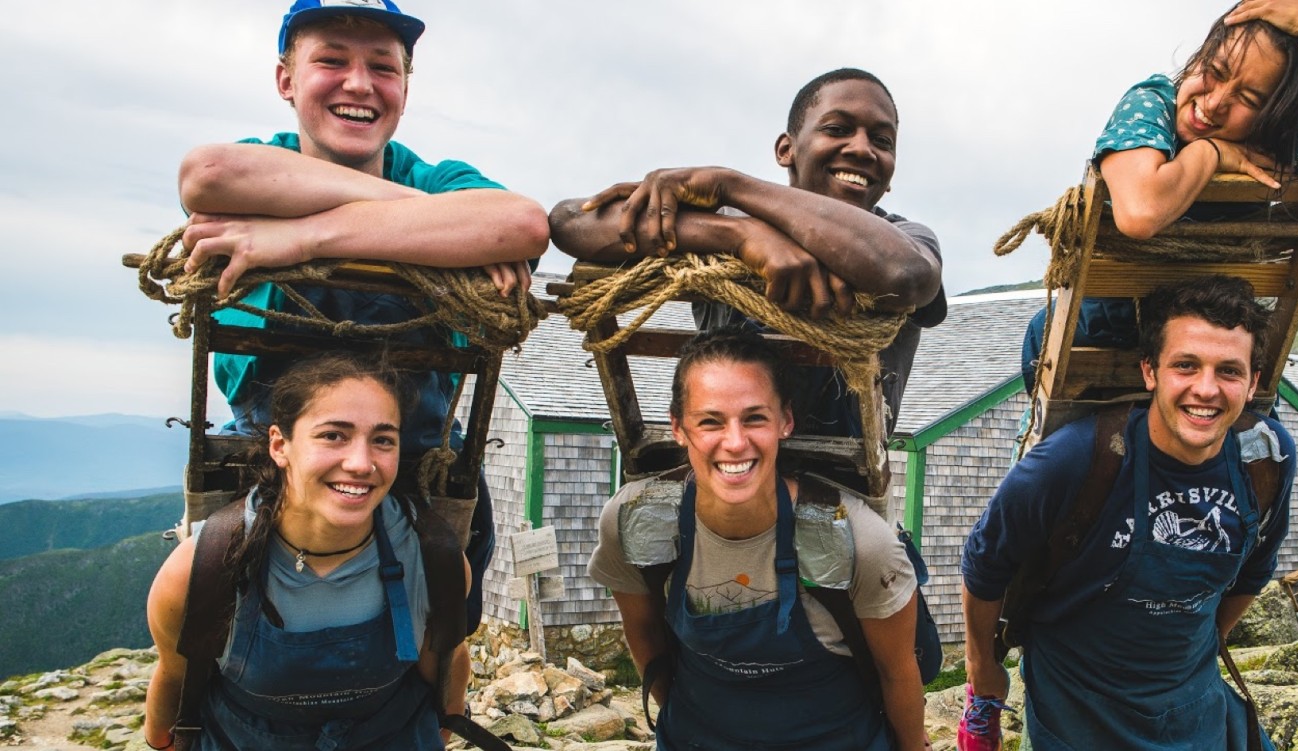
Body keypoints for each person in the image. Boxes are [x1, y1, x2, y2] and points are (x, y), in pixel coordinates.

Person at [176, 0, 549, 633]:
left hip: (422, 455)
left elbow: (522, 224)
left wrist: (302, 238)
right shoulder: (256, 161)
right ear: (286, 80)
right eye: (331, 61)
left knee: (440, 630)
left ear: (404, 88)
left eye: (383, 67)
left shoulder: (443, 176)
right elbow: (206, 175)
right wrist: (432, 221)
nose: (358, 84)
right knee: (239, 630)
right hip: (274, 453)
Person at [961, 275, 1296, 750]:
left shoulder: (1264, 459)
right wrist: (983, 669)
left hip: (1192, 702)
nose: (1207, 389)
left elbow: (1254, 571)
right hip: (1079, 707)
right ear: (1150, 372)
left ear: (1253, 382)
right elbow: (985, 565)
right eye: (1185, 365)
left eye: (1229, 371)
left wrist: (1190, 646)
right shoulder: (1073, 460)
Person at [548, 68, 945, 441]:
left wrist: (729, 185)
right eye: (837, 129)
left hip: (843, 486)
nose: (862, 149)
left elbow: (906, 274)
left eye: (882, 141)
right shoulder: (730, 223)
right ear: (786, 150)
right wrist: (738, 233)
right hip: (718, 460)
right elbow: (570, 223)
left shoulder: (907, 238)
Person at [586, 329, 925, 750]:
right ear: (677, 427)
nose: (735, 442)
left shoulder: (861, 542)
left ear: (785, 421)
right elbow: (645, 635)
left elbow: (897, 672)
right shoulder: (636, 522)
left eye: (754, 418)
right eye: (710, 421)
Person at [1021, 0, 1298, 393]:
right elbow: (1142, 212)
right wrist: (1211, 153)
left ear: (1273, 115)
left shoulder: (1277, 137)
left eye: (1248, 100)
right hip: (1137, 338)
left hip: (1185, 346)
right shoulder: (1154, 102)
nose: (1213, 104)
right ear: (1199, 58)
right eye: (1215, 72)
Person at [143, 354, 469, 751]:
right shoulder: (199, 570)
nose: (361, 463)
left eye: (383, 440)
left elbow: (446, 668)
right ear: (280, 445)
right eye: (334, 435)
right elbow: (173, 693)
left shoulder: (433, 559)